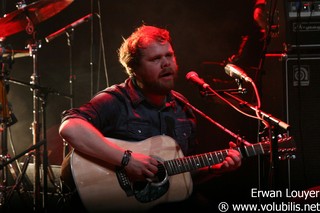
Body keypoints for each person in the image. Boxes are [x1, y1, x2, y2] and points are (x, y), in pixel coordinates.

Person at [58, 24, 242, 212]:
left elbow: (178, 178)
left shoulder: (182, 108)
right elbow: (70, 127)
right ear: (134, 69)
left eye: (169, 55)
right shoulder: (117, 100)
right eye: (155, 59)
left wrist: (214, 169)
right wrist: (126, 160)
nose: (166, 63)